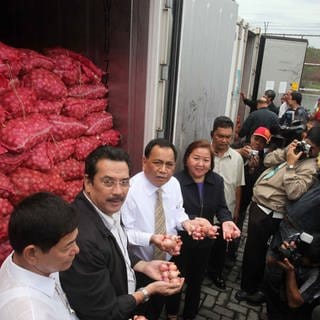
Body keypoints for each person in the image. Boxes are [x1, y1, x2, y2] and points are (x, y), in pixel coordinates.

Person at [60, 146, 184, 320]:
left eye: (124, 182)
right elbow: (101, 313)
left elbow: (117, 245)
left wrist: (143, 265)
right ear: (88, 183)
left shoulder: (106, 207)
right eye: (108, 182)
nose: (118, 191)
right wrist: (148, 291)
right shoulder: (82, 240)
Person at [121, 138, 215, 319]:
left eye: (169, 165)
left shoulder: (173, 184)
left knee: (157, 307)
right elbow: (123, 233)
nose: (163, 170)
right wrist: (151, 238)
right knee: (139, 312)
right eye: (157, 163)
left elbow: (178, 212)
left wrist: (187, 223)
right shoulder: (129, 191)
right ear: (144, 161)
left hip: (168, 262)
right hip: (140, 266)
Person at [235, 127, 320, 305]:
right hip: (260, 204)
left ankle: (250, 289)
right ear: (304, 138)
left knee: (257, 252)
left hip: (271, 210)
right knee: (253, 250)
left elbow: (294, 192)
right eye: (307, 145)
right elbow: (267, 160)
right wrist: (286, 152)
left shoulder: (310, 166)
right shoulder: (293, 150)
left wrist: (290, 165)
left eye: (313, 149)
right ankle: (251, 282)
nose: (308, 150)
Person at [169, 140, 240, 319]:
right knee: (175, 279)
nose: (201, 164)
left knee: (196, 281)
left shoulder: (216, 181)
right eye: (196, 158)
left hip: (205, 241)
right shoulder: (175, 181)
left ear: (211, 162)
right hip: (180, 241)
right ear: (186, 159)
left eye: (206, 160)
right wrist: (192, 220)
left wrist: (226, 221)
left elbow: (222, 208)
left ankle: (190, 314)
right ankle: (171, 313)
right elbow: (173, 212)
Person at [0, 192, 80, 320]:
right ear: (31, 253)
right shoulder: (31, 313)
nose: (76, 250)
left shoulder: (24, 260)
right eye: (67, 246)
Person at [207, 116, 245, 289]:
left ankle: (216, 273)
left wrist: (236, 209)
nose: (224, 140)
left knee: (221, 247)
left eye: (228, 137)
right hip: (204, 211)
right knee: (202, 245)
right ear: (212, 134)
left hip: (226, 213)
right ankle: (198, 273)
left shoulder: (237, 158)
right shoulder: (202, 154)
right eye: (220, 136)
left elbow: (238, 186)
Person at [232, 127, 271, 252]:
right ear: (251, 137)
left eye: (262, 142)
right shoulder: (238, 146)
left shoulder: (264, 160)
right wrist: (238, 152)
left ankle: (231, 254)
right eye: (256, 139)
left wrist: (252, 169)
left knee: (237, 225)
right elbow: (222, 152)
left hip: (244, 198)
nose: (258, 143)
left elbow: (256, 184)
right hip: (228, 192)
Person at [263, 234, 320, 320]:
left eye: (303, 258)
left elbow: (295, 303)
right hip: (287, 285)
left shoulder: (316, 274)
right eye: (301, 254)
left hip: (305, 303)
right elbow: (270, 261)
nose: (299, 257)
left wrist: (290, 272)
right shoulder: (298, 240)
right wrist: (280, 254)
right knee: (271, 284)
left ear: (316, 264)